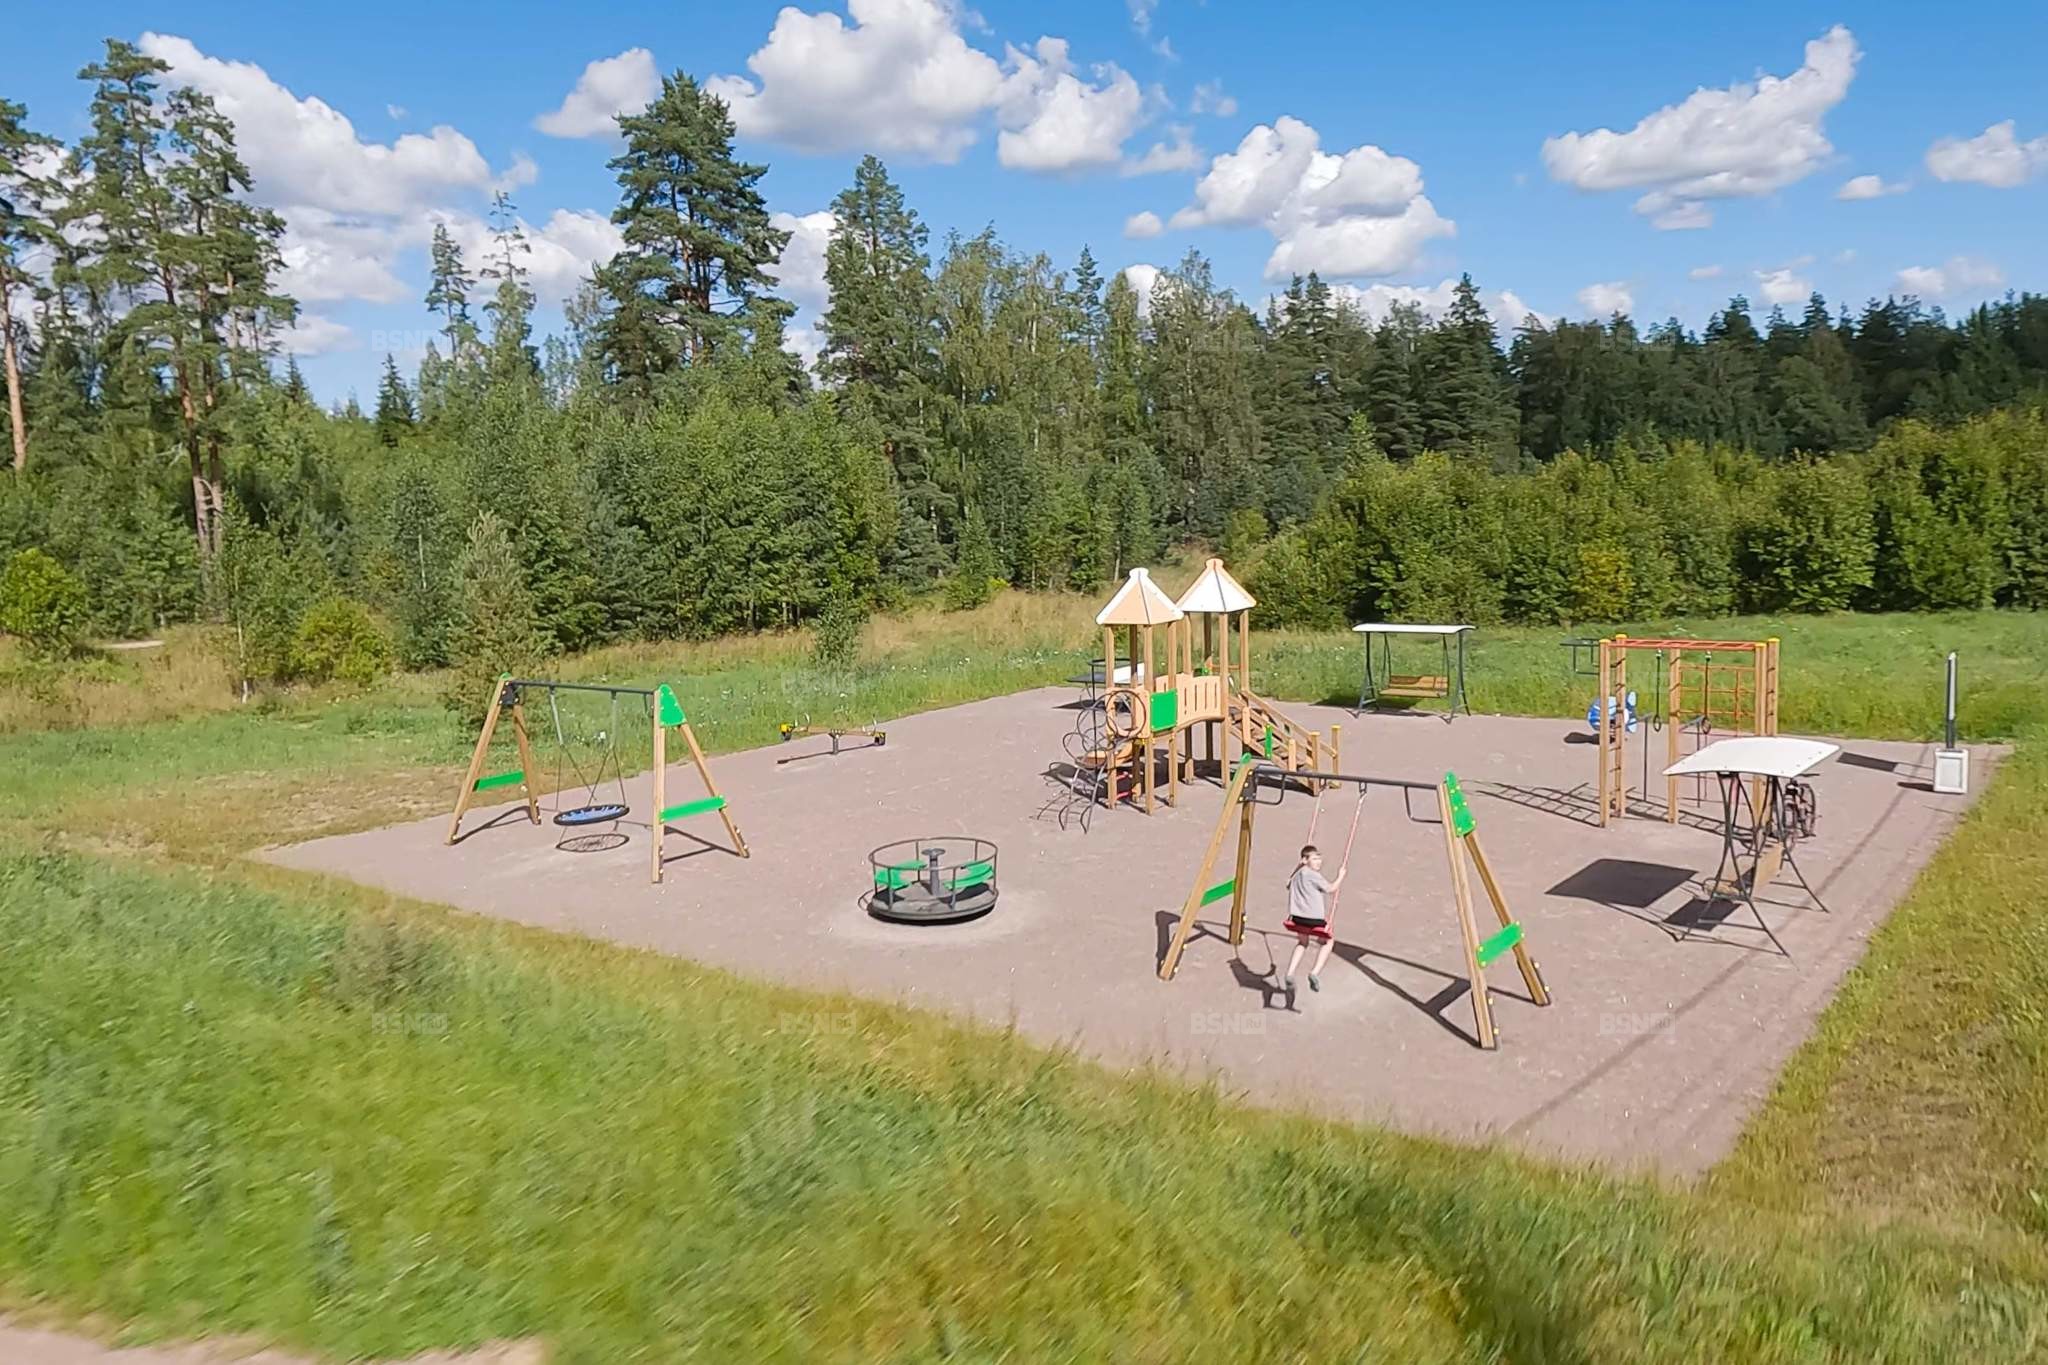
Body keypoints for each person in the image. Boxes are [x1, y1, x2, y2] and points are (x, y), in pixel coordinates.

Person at [1282, 843, 1344, 1006]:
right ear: (1305, 860)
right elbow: (1330, 889)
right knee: (1328, 941)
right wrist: (1340, 876)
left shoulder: (1296, 875)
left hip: (1296, 918)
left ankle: (1290, 973)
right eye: (1315, 859)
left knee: (1303, 942)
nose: (1319, 862)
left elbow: (1288, 883)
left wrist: (1298, 867)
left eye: (1319, 859)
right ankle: (1314, 972)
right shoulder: (1313, 875)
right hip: (1313, 920)